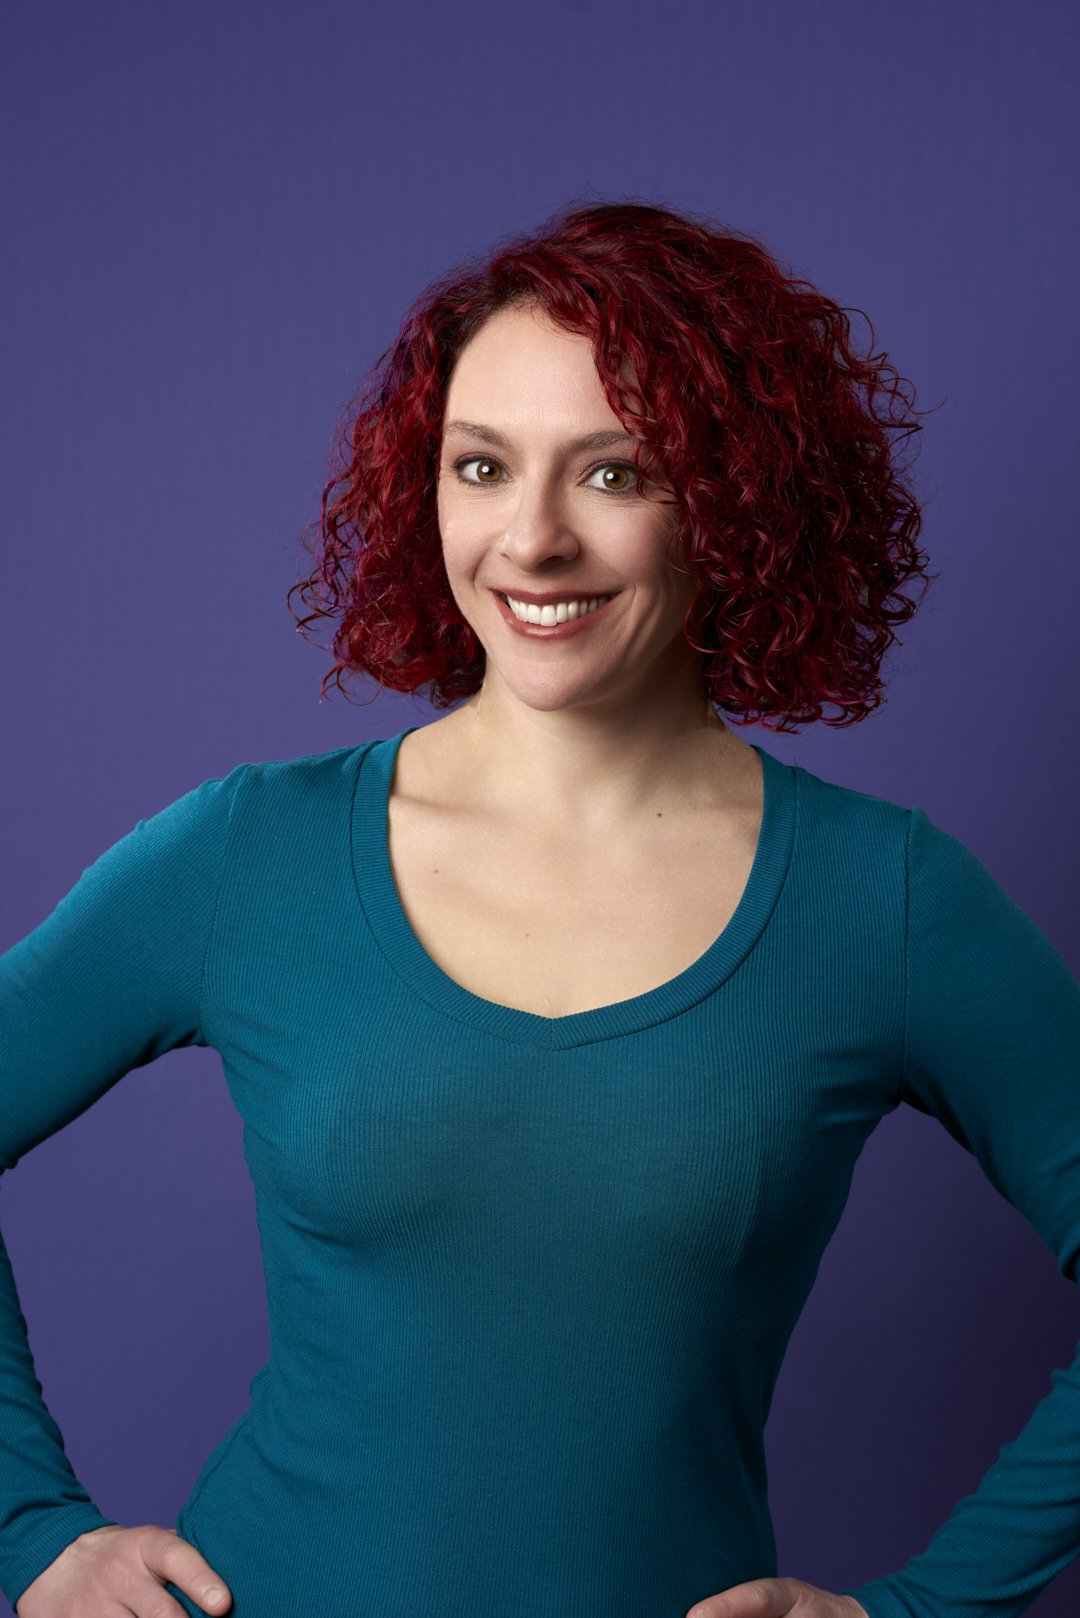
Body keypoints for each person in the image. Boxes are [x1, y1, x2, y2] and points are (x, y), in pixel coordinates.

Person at [2, 198, 1079, 1618]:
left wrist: (927, 1607)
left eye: (617, 471)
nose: (534, 538)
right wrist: (32, 1526)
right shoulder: (246, 850)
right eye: (483, 465)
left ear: (736, 498)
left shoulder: (880, 897)